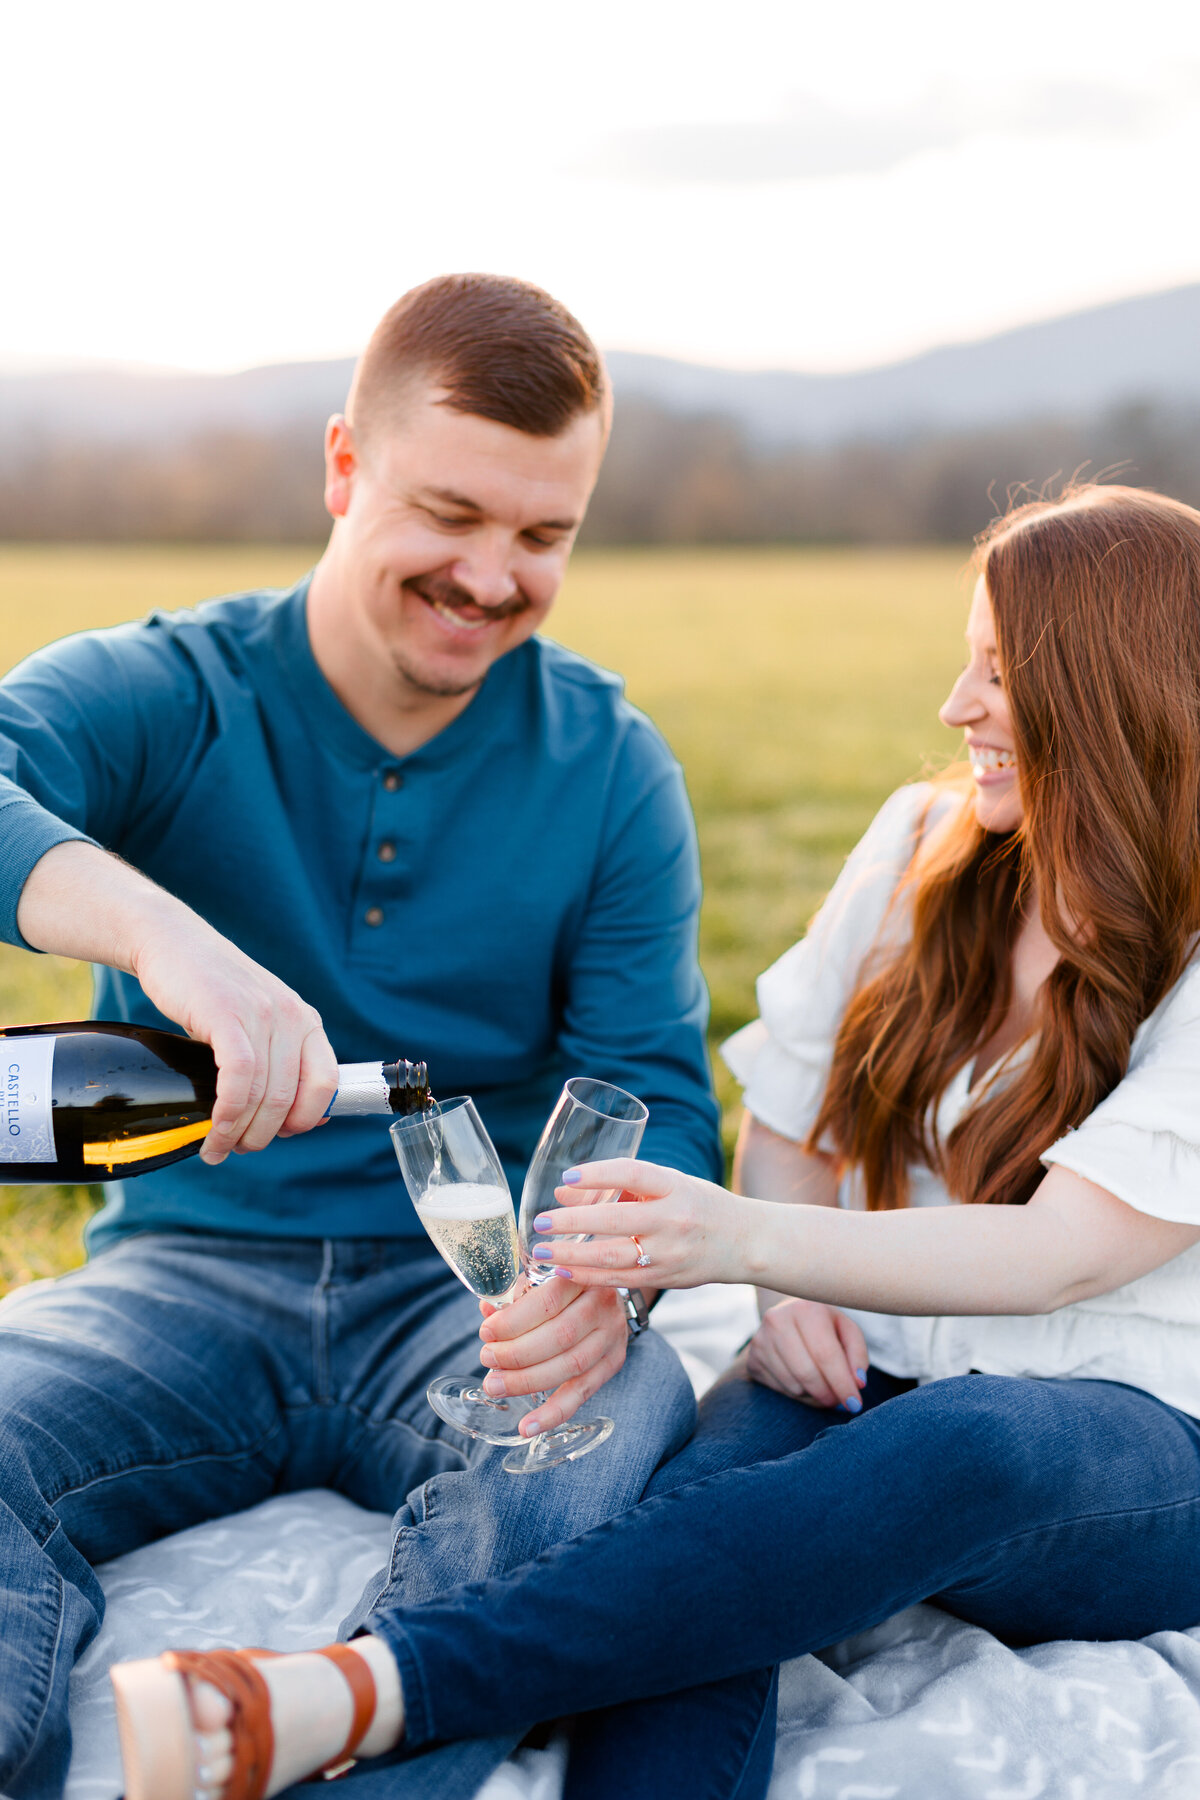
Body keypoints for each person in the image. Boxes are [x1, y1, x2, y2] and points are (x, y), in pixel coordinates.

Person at [112, 483, 1200, 1800]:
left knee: (974, 1444)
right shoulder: (926, 845)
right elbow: (793, 1120)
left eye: (999, 672)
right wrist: (792, 1285)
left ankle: (373, 1686)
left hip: (1137, 1438)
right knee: (696, 1581)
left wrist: (740, 1240)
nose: (956, 708)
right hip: (861, 1363)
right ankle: (356, 1727)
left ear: (1117, 694)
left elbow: (1068, 1253)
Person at [0, 273, 722, 1800]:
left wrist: (595, 1283)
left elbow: (654, 1087)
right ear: (343, 468)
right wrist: (165, 938)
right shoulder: (176, 690)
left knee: (620, 1437)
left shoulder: (609, 768)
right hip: (181, 1279)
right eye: (449, 514)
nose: (491, 576)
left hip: (464, 1295)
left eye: (545, 536)